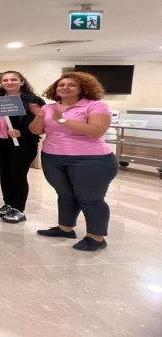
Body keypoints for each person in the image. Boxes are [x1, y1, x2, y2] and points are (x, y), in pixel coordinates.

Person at [29, 72, 117, 251]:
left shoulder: (96, 106)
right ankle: (65, 228)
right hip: (53, 157)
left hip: (91, 160)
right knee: (65, 195)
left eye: (71, 85)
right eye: (61, 85)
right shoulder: (49, 107)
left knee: (90, 199)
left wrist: (61, 119)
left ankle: (96, 238)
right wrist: (40, 116)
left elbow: (96, 131)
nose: (65, 87)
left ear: (82, 88)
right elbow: (35, 131)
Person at [0, 71, 45, 223]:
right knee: (4, 175)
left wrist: (22, 132)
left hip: (22, 144)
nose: (9, 82)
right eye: (5, 80)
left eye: (13, 79)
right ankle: (8, 204)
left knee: (18, 176)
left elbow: (42, 123)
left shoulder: (33, 100)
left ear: (22, 82)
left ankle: (18, 209)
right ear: (1, 83)